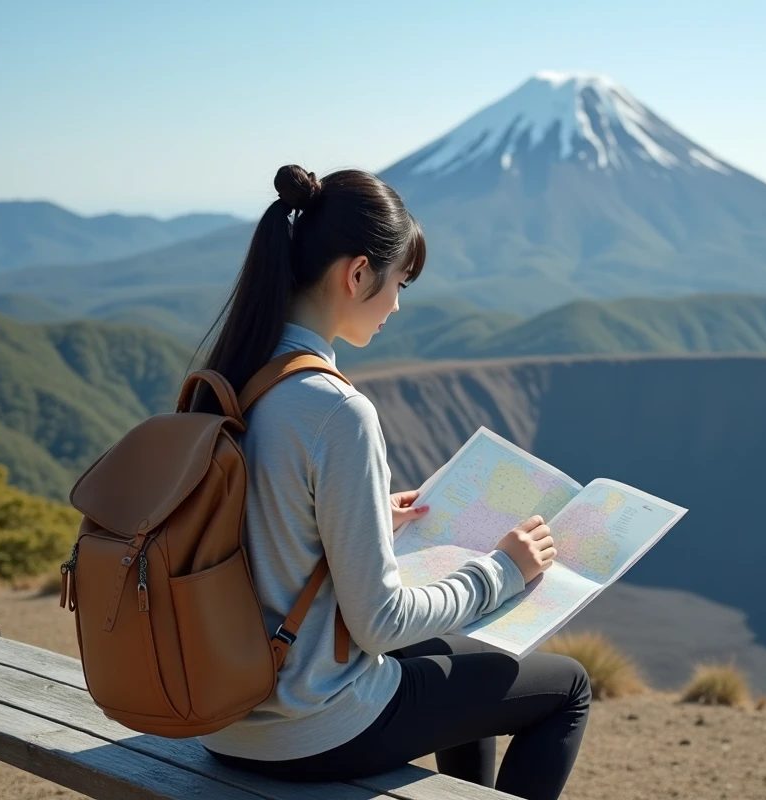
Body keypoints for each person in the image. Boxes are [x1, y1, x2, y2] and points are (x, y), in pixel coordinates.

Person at [194, 165, 591, 800]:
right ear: (356, 274)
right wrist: (504, 570)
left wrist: (368, 511)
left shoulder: (231, 375)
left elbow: (259, 513)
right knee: (567, 686)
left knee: (455, 652)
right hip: (308, 729)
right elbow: (378, 624)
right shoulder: (334, 410)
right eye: (397, 283)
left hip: (222, 713)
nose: (397, 305)